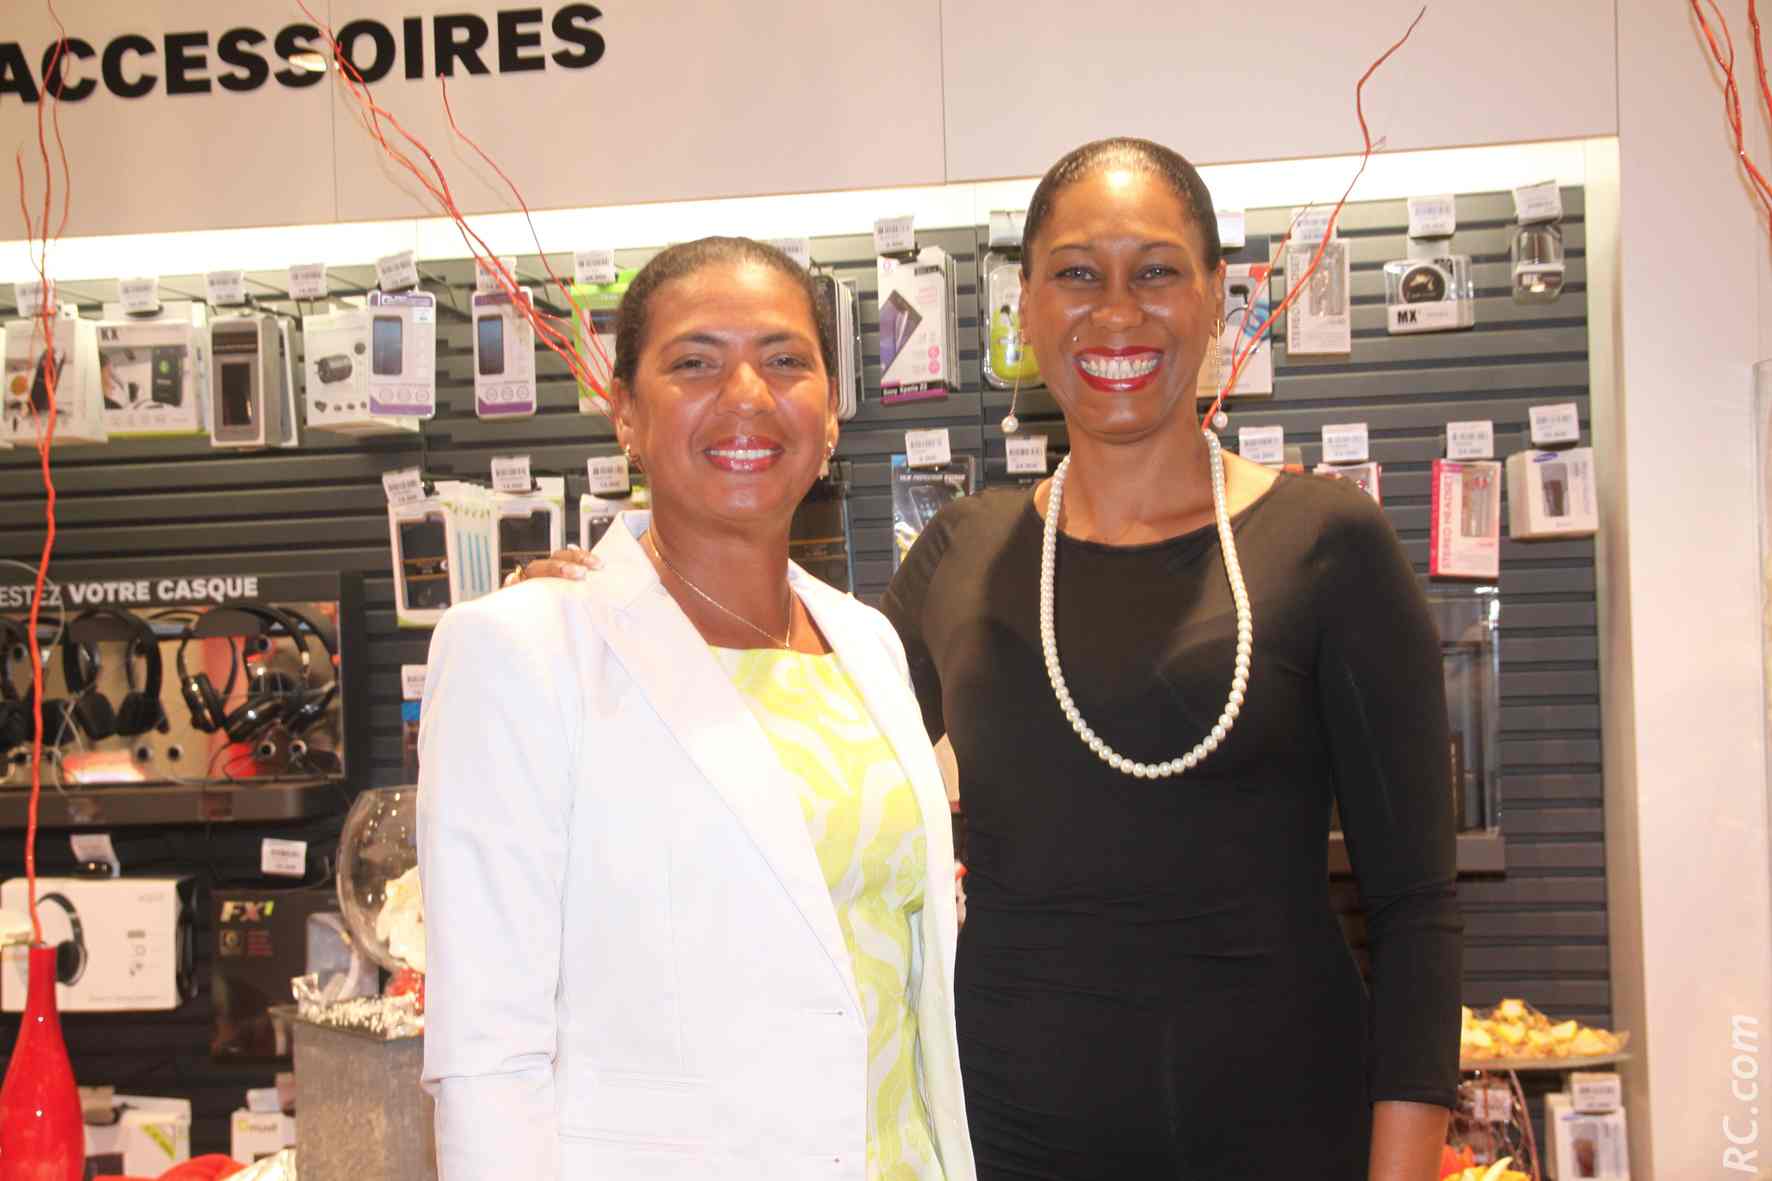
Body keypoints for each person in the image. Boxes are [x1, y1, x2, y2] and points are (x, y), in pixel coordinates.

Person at [515, 140, 1462, 1180]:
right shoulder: (962, 552)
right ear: (1027, 305)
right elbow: (785, 759)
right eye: (1075, 273)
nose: (1115, 312)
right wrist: (616, 610)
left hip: (1285, 1137)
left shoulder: (1328, 544)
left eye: (1153, 270)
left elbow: (1416, 907)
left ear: (1215, 294)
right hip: (1003, 1143)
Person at [418, 237, 975, 1181]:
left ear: (830, 414)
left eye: (785, 359)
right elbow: (487, 1054)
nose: (747, 394)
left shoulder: (867, 644)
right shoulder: (524, 650)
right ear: (625, 413)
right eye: (695, 363)